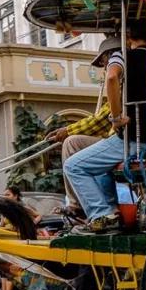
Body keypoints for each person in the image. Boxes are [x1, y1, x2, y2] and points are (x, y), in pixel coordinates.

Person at [63, 20, 146, 234]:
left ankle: (101, 214)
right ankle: (111, 214)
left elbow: (111, 77)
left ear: (128, 38)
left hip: (133, 140)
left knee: (74, 166)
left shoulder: (122, 56)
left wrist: (117, 118)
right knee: (97, 163)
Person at [45, 36, 118, 219]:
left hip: (120, 140)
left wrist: (67, 130)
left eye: (104, 62)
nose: (104, 67)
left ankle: (93, 209)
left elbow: (102, 120)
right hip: (114, 138)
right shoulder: (117, 81)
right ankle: (77, 203)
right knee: (72, 142)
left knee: (72, 154)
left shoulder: (118, 80)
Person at [0, 187, 42, 290]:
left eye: (8, 195)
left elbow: (38, 215)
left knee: (12, 268)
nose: (5, 197)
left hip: (18, 240)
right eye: (5, 195)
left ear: (16, 196)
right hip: (6, 241)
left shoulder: (21, 208)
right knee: (4, 269)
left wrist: (30, 224)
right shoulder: (4, 210)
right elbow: (2, 225)